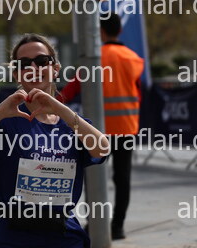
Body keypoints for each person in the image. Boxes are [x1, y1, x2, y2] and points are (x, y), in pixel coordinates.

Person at [0, 34, 110, 248]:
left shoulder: (72, 124)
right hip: (13, 237)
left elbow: (102, 149)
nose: (33, 68)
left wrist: (60, 109)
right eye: (24, 64)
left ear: (55, 68)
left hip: (64, 236)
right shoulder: (7, 124)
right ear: (16, 73)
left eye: (42, 61)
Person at [59, 13, 144, 240]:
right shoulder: (134, 59)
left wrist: (50, 104)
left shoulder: (92, 59)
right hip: (126, 127)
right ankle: (118, 227)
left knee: (94, 180)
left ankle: (96, 225)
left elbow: (69, 91)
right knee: (122, 179)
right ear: (120, 30)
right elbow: (138, 94)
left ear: (100, 31)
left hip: (97, 132)